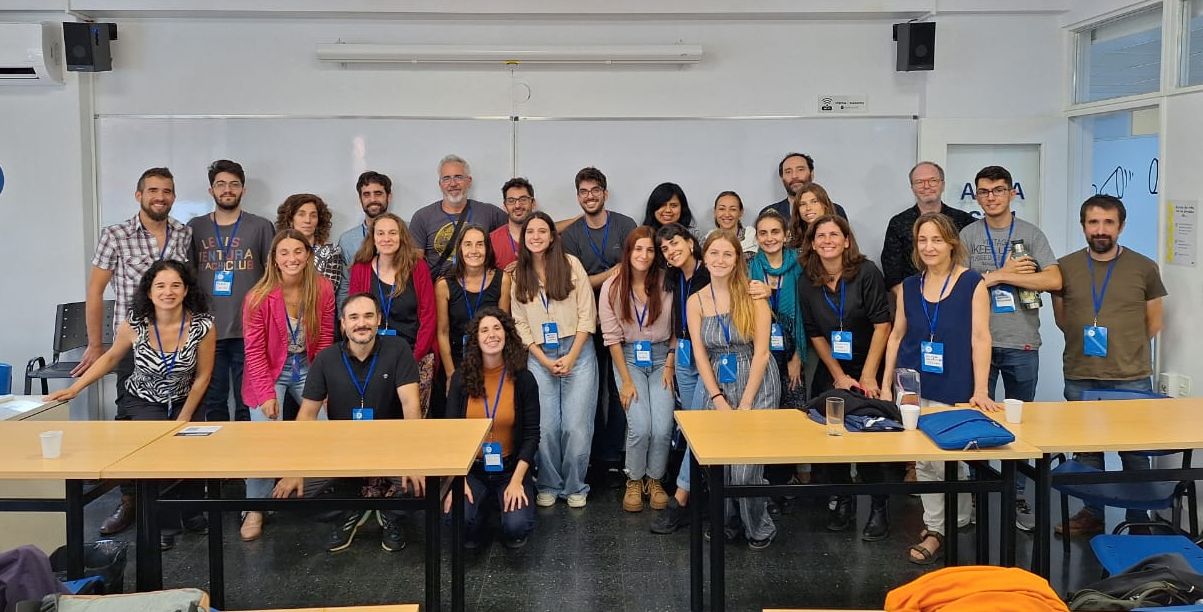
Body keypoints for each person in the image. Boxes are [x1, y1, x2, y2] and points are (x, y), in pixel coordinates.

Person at [49, 260, 215, 549]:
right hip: (143, 399)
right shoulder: (135, 323)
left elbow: (203, 376)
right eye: (160, 286)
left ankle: (191, 511)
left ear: (186, 290)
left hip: (184, 398)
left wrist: (184, 417)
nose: (168, 292)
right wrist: (75, 388)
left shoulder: (203, 326)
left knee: (191, 446)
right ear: (149, 292)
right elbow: (111, 358)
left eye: (175, 285)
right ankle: (161, 523)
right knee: (158, 450)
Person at [78, 167, 193, 537]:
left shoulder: (183, 233)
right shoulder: (116, 235)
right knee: (131, 423)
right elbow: (95, 291)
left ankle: (175, 507)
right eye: (153, 190)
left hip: (177, 342)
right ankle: (130, 501)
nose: (160, 197)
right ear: (138, 194)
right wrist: (96, 345)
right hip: (132, 344)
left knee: (179, 421)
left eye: (167, 191)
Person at [880, 212, 998, 565]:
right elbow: (896, 336)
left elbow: (981, 338)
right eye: (922, 240)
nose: (929, 247)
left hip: (955, 383)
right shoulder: (909, 286)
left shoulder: (972, 283)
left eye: (936, 240)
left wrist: (981, 389)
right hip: (914, 385)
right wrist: (885, 385)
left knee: (951, 459)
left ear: (951, 243)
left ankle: (952, 522)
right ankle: (937, 526)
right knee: (923, 460)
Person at [271, 292, 423, 552]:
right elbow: (306, 416)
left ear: (378, 320)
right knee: (290, 494)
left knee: (425, 485)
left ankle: (390, 515)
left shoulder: (398, 350)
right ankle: (350, 511)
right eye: (353, 317)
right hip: (340, 451)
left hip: (391, 448)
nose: (361, 323)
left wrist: (413, 460)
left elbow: (411, 406)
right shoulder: (326, 359)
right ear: (343, 323)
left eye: (368, 316)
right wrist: (296, 469)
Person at [1052, 194, 1166, 537]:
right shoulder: (1065, 267)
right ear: (1083, 226)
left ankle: (1139, 518)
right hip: (1080, 375)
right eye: (1093, 222)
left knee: (1135, 454)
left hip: (1131, 377)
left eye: (1108, 222)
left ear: (1121, 226)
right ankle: (1093, 514)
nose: (1100, 230)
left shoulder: (1144, 267)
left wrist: (1125, 349)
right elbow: (1062, 319)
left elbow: (1154, 323)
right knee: (1088, 453)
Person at [960, 165, 1062, 532]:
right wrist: (1004, 273)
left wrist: (996, 277)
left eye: (998, 190)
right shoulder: (968, 235)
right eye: (984, 191)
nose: (991, 197)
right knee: (976, 419)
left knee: (1020, 422)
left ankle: (1017, 492)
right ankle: (976, 492)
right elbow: (960, 285)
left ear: (1011, 193)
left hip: (1022, 341)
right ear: (976, 195)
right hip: (979, 342)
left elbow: (1053, 279)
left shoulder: (1031, 234)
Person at [797, 215, 896, 540]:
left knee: (869, 437)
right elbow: (814, 333)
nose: (827, 240)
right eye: (821, 236)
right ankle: (843, 500)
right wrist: (838, 375)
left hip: (871, 363)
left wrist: (868, 376)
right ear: (813, 244)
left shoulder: (866, 272)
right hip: (834, 368)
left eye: (834, 235)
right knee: (832, 435)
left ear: (846, 241)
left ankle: (878, 507)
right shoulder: (807, 281)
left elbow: (882, 325)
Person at [239, 229, 336, 541]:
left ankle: (310, 491)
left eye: (298, 251)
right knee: (264, 437)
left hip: (308, 366)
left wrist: (323, 387)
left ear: (308, 255)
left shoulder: (322, 288)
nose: (292, 258)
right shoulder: (257, 297)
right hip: (268, 371)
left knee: (324, 430)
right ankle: (255, 507)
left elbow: (325, 339)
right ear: (274, 259)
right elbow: (254, 352)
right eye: (284, 253)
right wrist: (266, 394)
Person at [687, 230, 780, 549]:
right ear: (704, 258)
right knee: (720, 465)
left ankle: (759, 526)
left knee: (744, 471)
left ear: (738, 259)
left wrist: (746, 404)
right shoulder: (696, 301)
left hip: (756, 381)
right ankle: (728, 521)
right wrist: (716, 397)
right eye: (714, 253)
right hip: (718, 382)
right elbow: (699, 353)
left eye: (728, 254)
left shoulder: (753, 294)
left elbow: (763, 352)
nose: (720, 260)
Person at [509, 211, 599, 508]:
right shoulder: (518, 274)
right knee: (546, 427)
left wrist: (572, 356)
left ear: (551, 237)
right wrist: (543, 360)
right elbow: (519, 323)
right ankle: (548, 483)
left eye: (541, 231)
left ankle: (575, 485)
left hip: (577, 350)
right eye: (530, 232)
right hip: (539, 355)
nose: (535, 236)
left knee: (576, 426)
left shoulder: (571, 265)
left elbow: (587, 314)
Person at [558, 167, 638, 475]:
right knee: (590, 390)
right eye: (583, 192)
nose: (589, 196)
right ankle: (590, 456)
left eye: (595, 190)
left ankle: (613, 455)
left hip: (624, 320)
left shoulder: (625, 225)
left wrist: (604, 277)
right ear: (578, 196)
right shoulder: (572, 235)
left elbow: (635, 269)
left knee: (619, 388)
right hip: (587, 323)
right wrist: (613, 272)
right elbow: (575, 284)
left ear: (605, 193)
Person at [442, 307, 539, 550]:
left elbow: (531, 435)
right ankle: (483, 507)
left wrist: (517, 481)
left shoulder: (523, 379)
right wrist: (457, 481)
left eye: (497, 328)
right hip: (471, 470)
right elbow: (450, 435)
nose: (491, 334)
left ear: (507, 335)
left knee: (517, 528)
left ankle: (501, 504)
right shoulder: (460, 379)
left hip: (510, 469)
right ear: (476, 339)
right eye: (484, 330)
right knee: (458, 523)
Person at [188, 159, 275, 422]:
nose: (227, 189)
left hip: (250, 328)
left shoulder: (261, 227)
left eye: (234, 184)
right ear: (211, 190)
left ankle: (246, 448)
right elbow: (188, 276)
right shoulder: (194, 227)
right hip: (208, 328)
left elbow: (273, 276)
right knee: (213, 400)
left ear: (243, 190)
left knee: (247, 400)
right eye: (221, 184)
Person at [599, 227, 675, 513]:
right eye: (638, 249)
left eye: (650, 250)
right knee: (640, 426)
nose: (644, 255)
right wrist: (626, 381)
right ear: (628, 252)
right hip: (628, 358)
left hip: (662, 358)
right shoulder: (612, 286)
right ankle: (634, 478)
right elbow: (611, 339)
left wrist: (670, 364)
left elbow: (678, 329)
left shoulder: (667, 282)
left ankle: (654, 480)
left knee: (662, 427)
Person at [650, 223, 709, 534]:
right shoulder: (674, 278)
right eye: (664, 249)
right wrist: (671, 358)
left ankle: (680, 499)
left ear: (690, 242)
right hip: (684, 355)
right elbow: (678, 324)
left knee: (698, 428)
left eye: (674, 243)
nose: (670, 251)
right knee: (690, 427)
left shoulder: (708, 273)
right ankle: (698, 497)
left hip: (708, 357)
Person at [348, 213, 437, 413]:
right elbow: (354, 315)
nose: (386, 238)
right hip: (372, 356)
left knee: (412, 417)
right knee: (379, 415)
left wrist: (413, 358)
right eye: (380, 233)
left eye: (392, 233)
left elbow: (429, 316)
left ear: (401, 236)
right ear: (373, 238)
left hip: (415, 355)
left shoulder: (418, 268)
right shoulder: (361, 269)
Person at [881, 162, 978, 291]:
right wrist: (907, 299)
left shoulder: (964, 220)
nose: (926, 186)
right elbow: (892, 275)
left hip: (958, 293)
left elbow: (972, 263)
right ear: (912, 188)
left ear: (943, 185)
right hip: (912, 295)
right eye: (919, 182)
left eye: (932, 181)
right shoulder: (898, 223)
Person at [409, 155, 508, 279]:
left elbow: (515, 236)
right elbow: (415, 265)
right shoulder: (422, 217)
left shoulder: (490, 213)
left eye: (458, 177)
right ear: (440, 184)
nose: (453, 183)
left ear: (469, 181)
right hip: (439, 286)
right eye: (446, 178)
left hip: (481, 285)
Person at [436, 224, 511, 385]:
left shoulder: (503, 280)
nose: (474, 250)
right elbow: (442, 332)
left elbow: (504, 327)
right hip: (457, 360)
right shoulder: (444, 285)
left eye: (480, 244)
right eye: (468, 244)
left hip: (492, 358)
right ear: (460, 249)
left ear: (488, 248)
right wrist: (450, 374)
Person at [748, 210, 807, 409]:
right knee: (763, 413)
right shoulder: (748, 266)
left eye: (775, 232)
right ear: (756, 237)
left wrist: (797, 358)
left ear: (786, 235)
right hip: (758, 352)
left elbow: (806, 314)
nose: (769, 238)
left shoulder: (800, 265)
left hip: (793, 351)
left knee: (793, 413)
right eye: (763, 233)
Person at [337, 171, 393, 307]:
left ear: (389, 197)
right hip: (363, 313)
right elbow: (345, 287)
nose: (372, 199)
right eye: (366, 194)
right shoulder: (347, 240)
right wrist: (344, 316)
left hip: (401, 311)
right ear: (360, 199)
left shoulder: (406, 232)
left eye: (378, 193)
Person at [275, 193, 343, 292]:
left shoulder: (331, 251)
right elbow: (272, 284)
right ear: (290, 220)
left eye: (313, 216)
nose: (307, 220)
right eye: (301, 214)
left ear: (319, 221)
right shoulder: (278, 250)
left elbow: (328, 291)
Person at [760, 152, 848, 221]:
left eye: (800, 169)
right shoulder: (770, 213)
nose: (794, 176)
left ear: (812, 174)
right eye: (788, 171)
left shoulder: (835, 211)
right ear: (782, 178)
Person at [491, 177, 538, 273]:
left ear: (533, 203)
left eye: (523, 199)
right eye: (511, 201)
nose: (517, 205)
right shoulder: (491, 241)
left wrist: (527, 266)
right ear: (504, 206)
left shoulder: (548, 238)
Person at [785, 182, 837, 251]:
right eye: (802, 204)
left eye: (814, 202)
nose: (808, 208)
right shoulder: (792, 241)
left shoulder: (839, 235)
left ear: (825, 205)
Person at [707, 191, 757, 256]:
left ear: (741, 212)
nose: (727, 214)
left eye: (733, 209)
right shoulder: (709, 238)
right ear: (715, 212)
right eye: (722, 209)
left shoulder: (751, 236)